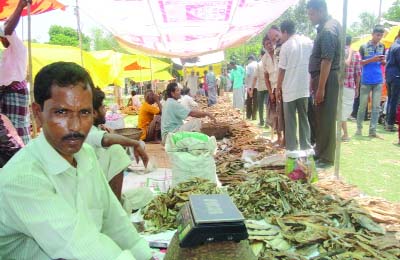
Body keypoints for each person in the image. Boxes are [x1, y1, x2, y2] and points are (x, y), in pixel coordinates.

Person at [0, 62, 154, 259]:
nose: (75, 126)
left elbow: (116, 224)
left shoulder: (86, 155)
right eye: (61, 112)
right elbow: (83, 249)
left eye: (84, 112)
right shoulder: (22, 178)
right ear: (38, 114)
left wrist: (146, 255)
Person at [86, 87, 149, 200]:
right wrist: (135, 144)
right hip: (96, 193)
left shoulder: (96, 129)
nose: (105, 110)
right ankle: (116, 205)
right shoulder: (88, 132)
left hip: (102, 185)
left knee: (145, 194)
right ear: (94, 113)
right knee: (116, 151)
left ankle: (117, 202)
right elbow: (107, 140)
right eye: (103, 107)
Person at [307, 0, 342, 167]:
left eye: (311, 13)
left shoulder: (328, 29)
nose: (309, 17)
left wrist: (321, 88)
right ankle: (320, 152)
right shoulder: (325, 28)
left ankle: (327, 157)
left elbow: (327, 60)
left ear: (320, 11)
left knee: (326, 117)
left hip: (327, 78)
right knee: (319, 117)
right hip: (321, 78)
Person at [276, 20, 313, 151]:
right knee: (304, 119)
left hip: (289, 89)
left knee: (290, 121)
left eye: (281, 33)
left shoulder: (286, 46)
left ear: (285, 31)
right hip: (304, 88)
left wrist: (278, 87)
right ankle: (306, 148)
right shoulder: (308, 41)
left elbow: (282, 70)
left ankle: (292, 149)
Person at [0, 0, 31, 145]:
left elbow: (7, 29)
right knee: (6, 135)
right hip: (4, 94)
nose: (2, 38)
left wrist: (20, 6)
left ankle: (21, 161)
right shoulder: (5, 54)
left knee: (16, 134)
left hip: (14, 93)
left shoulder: (18, 48)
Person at [356, 25, 386, 138]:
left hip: (378, 79)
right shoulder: (363, 47)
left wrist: (383, 61)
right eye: (377, 35)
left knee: (376, 107)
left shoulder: (382, 46)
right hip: (366, 80)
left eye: (381, 35)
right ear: (372, 34)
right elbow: (360, 62)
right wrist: (371, 60)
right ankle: (359, 129)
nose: (379, 37)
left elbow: (383, 62)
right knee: (362, 106)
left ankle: (372, 131)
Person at [263, 35, 284, 146]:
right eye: (267, 44)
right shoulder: (264, 59)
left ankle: (285, 138)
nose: (269, 45)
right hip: (273, 88)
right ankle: (279, 137)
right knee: (275, 114)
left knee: (283, 114)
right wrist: (270, 92)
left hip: (282, 86)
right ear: (264, 47)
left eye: (270, 43)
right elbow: (266, 77)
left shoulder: (279, 53)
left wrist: (279, 88)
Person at [341, 35, 362, 142]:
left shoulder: (339, 52)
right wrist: (357, 87)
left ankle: (344, 134)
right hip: (350, 85)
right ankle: (344, 134)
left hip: (339, 85)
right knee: (345, 111)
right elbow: (358, 73)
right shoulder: (356, 54)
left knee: (339, 111)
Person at [385, 30, 400, 132]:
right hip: (396, 76)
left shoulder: (393, 45)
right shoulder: (398, 47)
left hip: (390, 75)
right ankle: (390, 124)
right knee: (394, 100)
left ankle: (387, 122)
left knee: (390, 99)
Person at [252, 50, 269, 127]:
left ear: (260, 55)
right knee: (267, 106)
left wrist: (252, 88)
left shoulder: (258, 65)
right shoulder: (268, 63)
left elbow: (255, 78)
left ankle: (262, 121)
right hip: (268, 87)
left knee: (261, 106)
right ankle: (267, 122)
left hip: (260, 87)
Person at [245, 55, 258, 120]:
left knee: (249, 102)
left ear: (250, 59)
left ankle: (248, 115)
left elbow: (247, 76)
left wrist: (246, 86)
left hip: (250, 86)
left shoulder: (249, 66)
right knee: (255, 102)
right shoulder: (258, 64)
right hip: (257, 86)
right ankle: (254, 116)